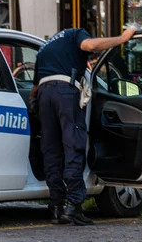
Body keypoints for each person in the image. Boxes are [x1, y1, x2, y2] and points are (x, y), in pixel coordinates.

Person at [31, 27, 136, 225]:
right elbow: (89, 45)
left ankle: (56, 207)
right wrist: (122, 38)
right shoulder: (76, 34)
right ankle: (74, 207)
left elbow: (34, 89)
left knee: (51, 152)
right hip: (65, 92)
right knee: (73, 146)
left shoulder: (46, 47)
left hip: (44, 95)